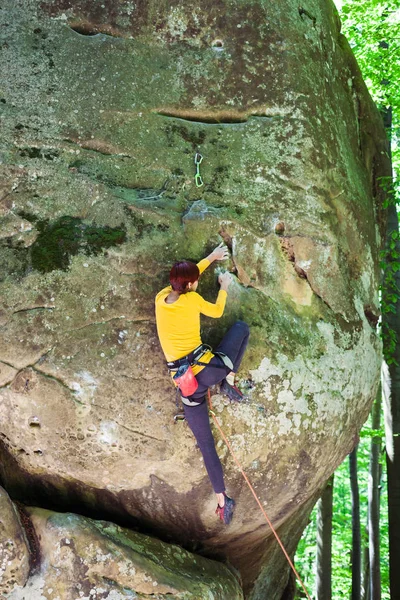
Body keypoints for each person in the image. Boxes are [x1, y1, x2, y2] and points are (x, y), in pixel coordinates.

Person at [155, 243, 250, 524]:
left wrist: (209, 258)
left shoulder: (161, 297)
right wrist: (223, 284)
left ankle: (222, 500)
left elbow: (188, 277)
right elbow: (218, 312)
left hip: (186, 386)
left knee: (207, 444)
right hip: (208, 372)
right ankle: (228, 382)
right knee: (241, 329)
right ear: (192, 284)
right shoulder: (193, 301)